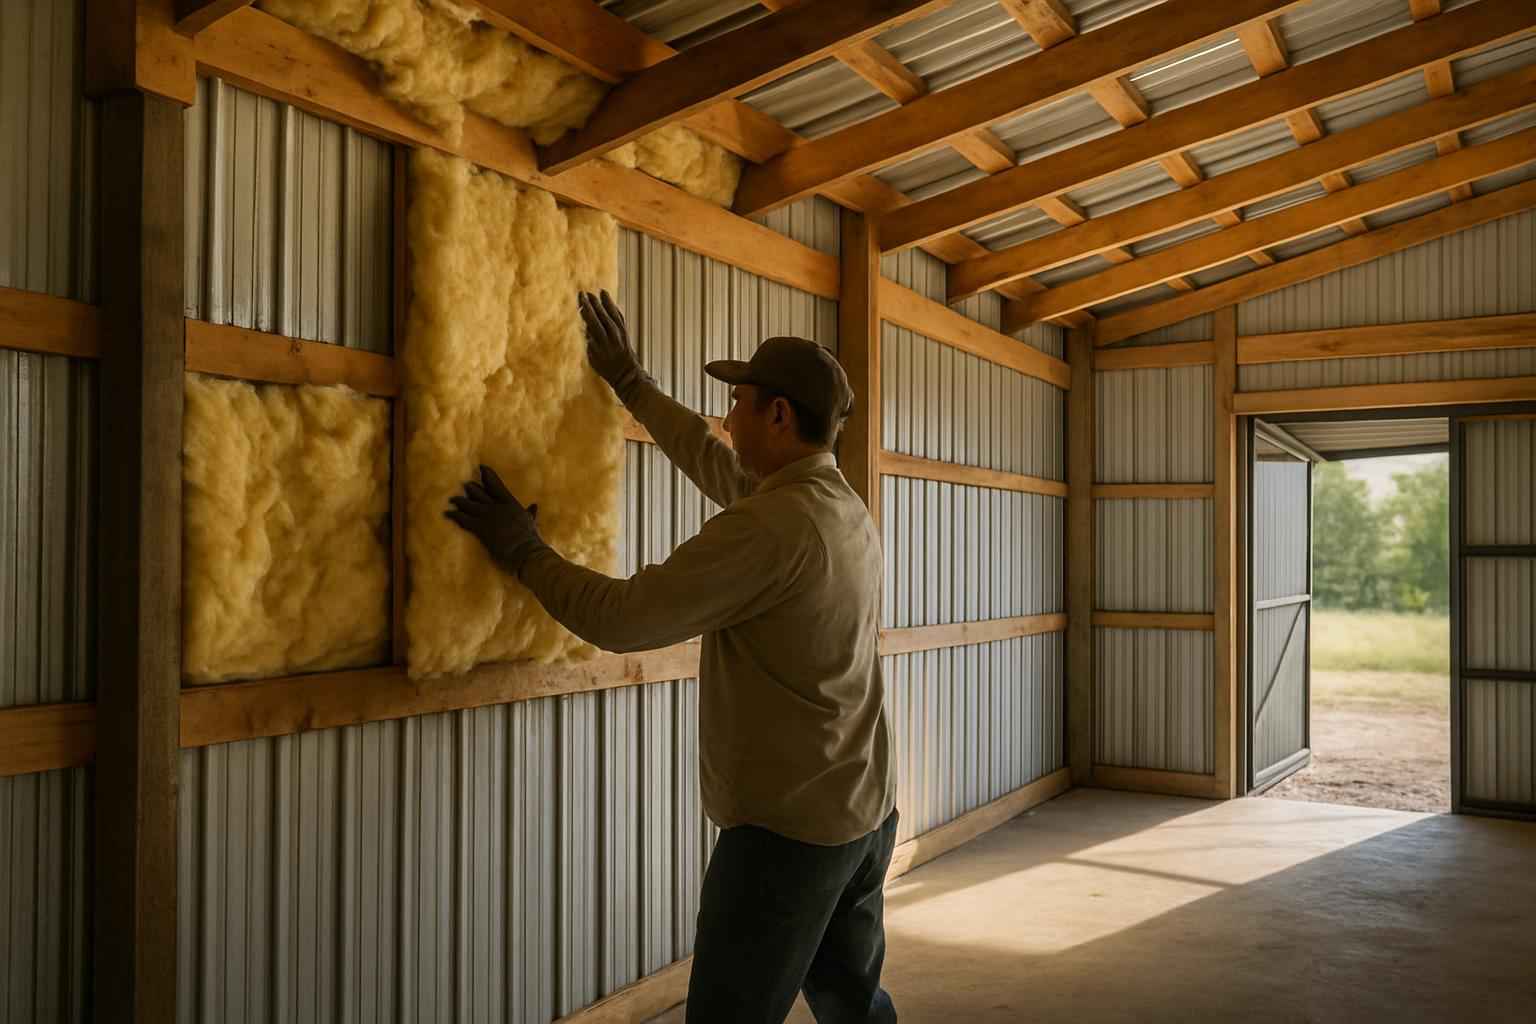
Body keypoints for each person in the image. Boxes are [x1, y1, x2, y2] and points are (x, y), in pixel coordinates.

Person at [445, 290, 898, 1023]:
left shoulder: (775, 529)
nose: (727, 418)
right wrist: (630, 384)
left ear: (778, 415)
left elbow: (623, 620)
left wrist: (522, 550)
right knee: (852, 1000)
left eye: (741, 403)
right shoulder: (834, 502)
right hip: (863, 809)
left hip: (788, 837)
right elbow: (716, 463)